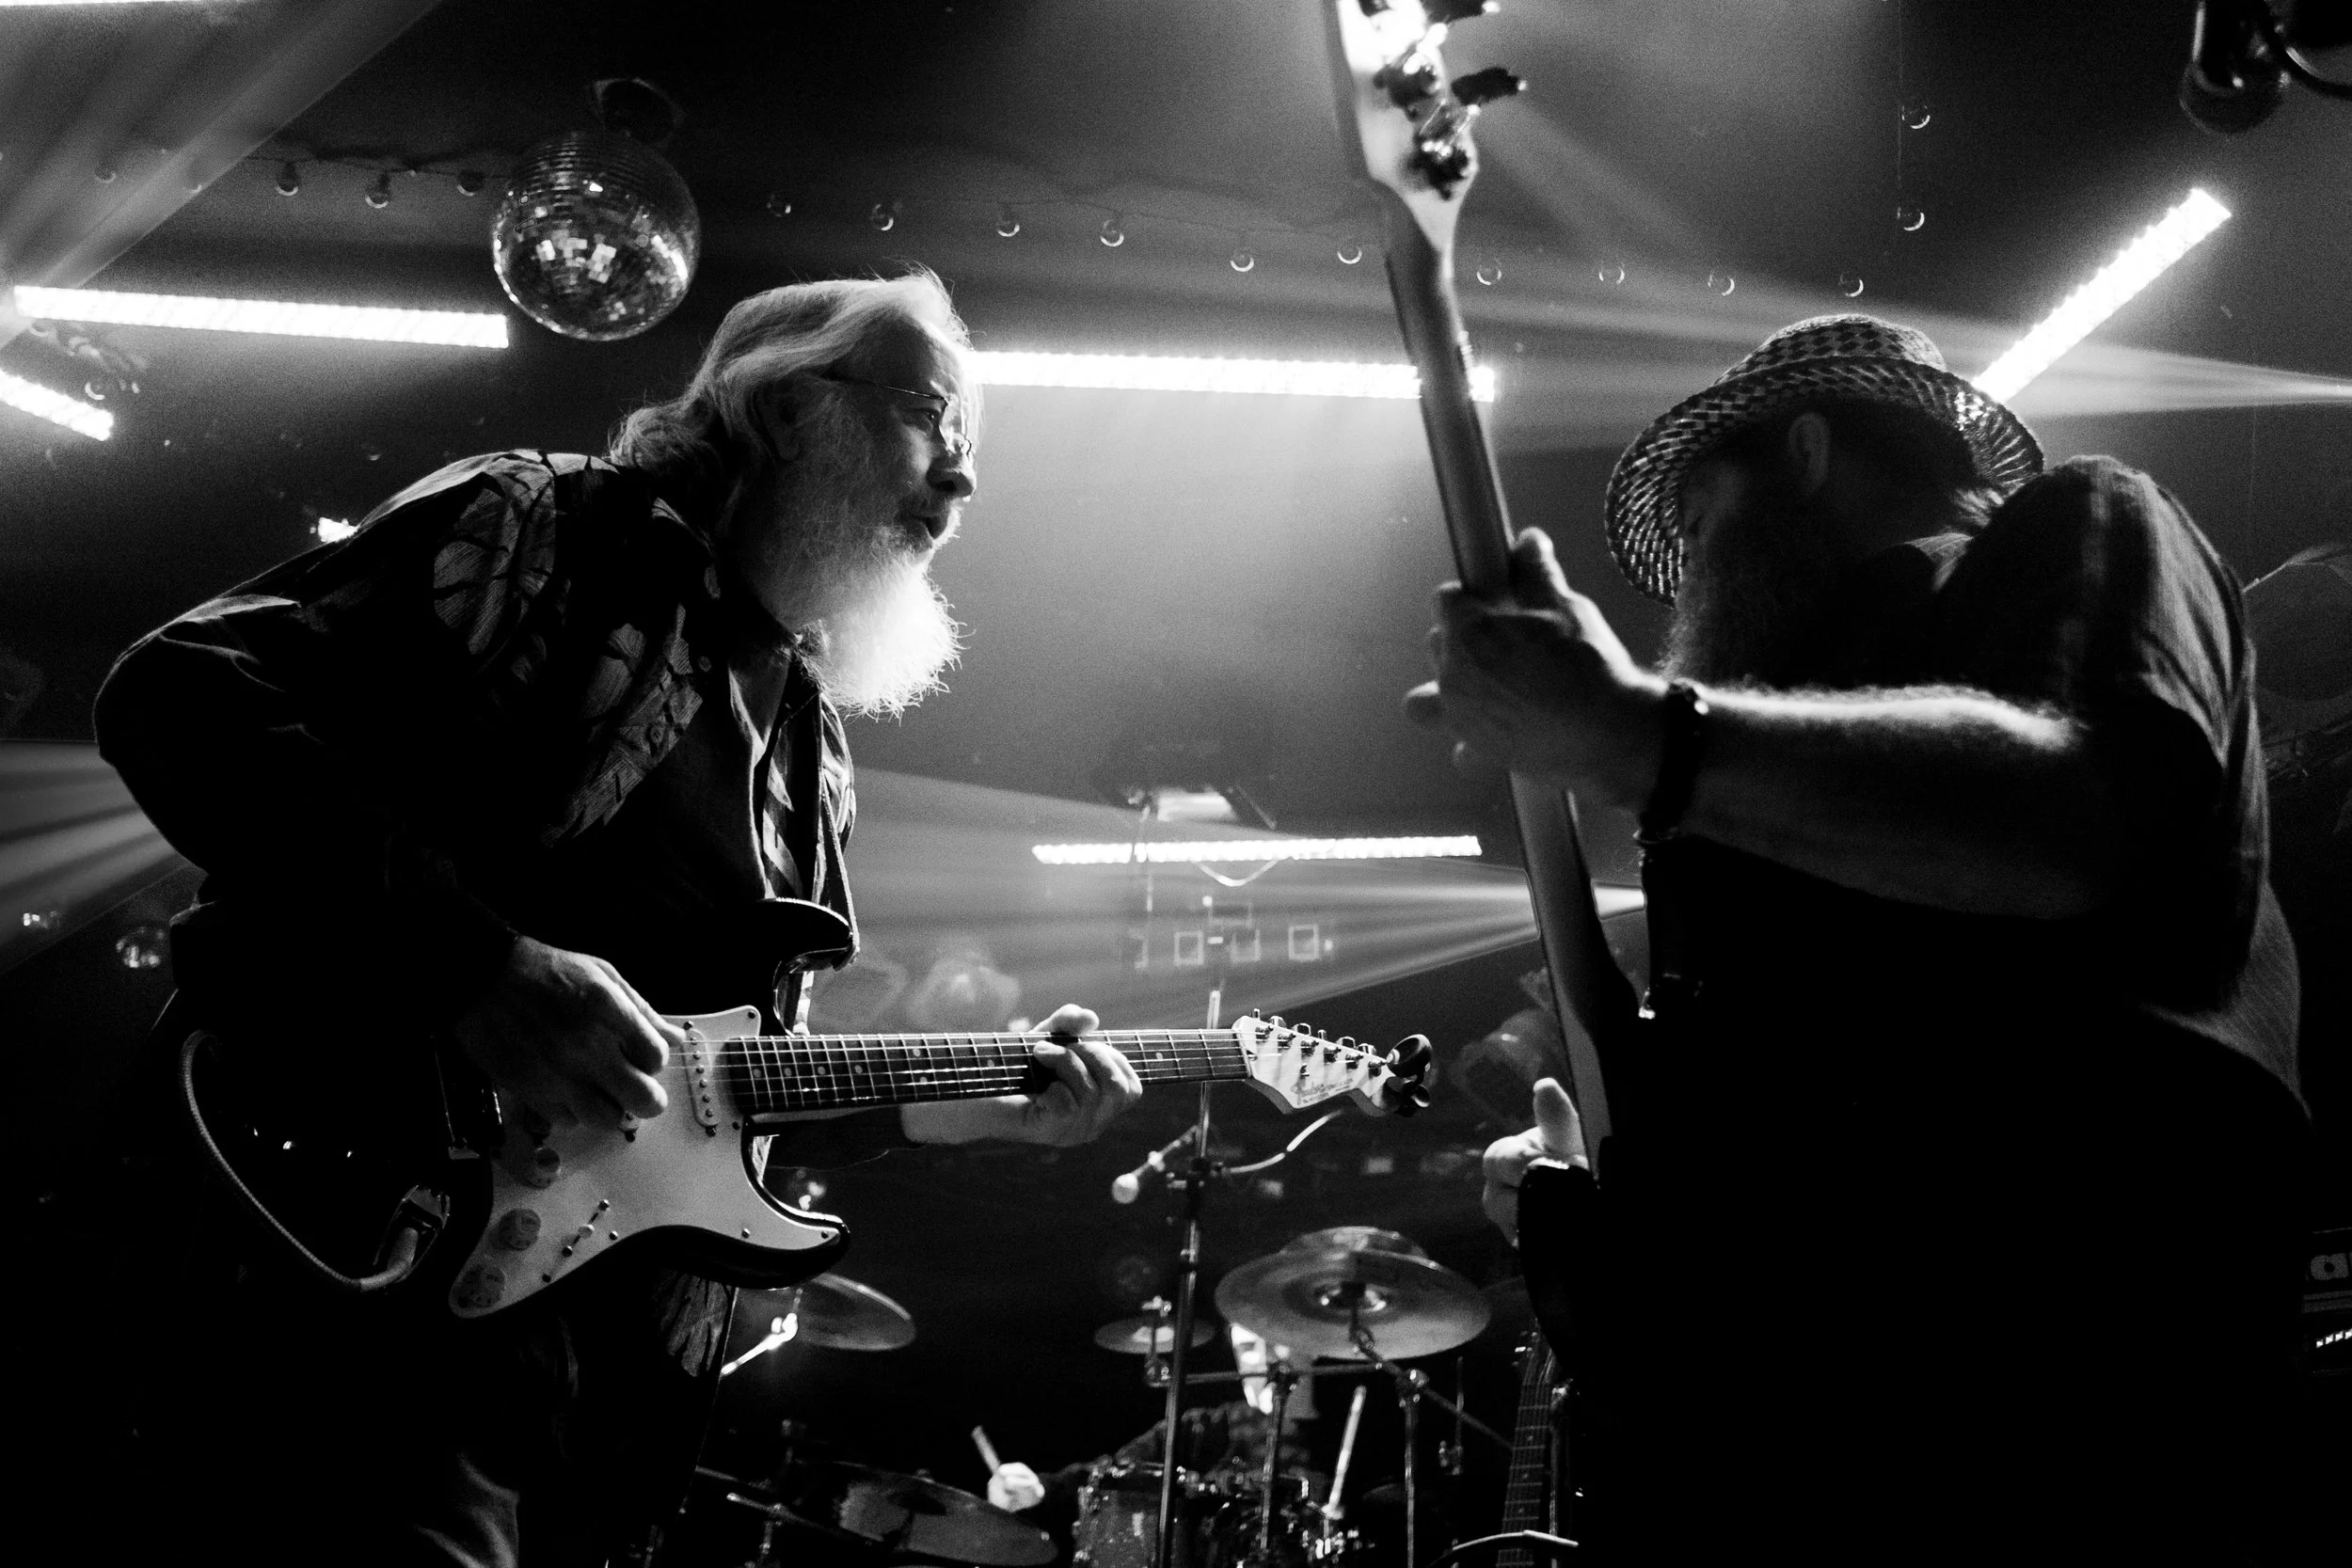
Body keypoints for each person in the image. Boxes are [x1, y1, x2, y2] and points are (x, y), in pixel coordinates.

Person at [93, 269, 1143, 1568]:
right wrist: (480, 965)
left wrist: (961, 1100)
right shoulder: (550, 528)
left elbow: (704, 1081)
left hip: (598, 1380)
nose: (963, 479)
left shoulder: (810, 749)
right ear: (783, 408)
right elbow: (180, 694)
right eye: (934, 417)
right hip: (345, 1261)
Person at [1409, 316, 2309, 1564]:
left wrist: (1641, 732)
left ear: (1812, 453)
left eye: (1705, 516)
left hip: (2082, 1452)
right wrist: (1585, 1210)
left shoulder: (2085, 527)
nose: (1691, 578)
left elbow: (2069, 821)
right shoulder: (1749, 822)